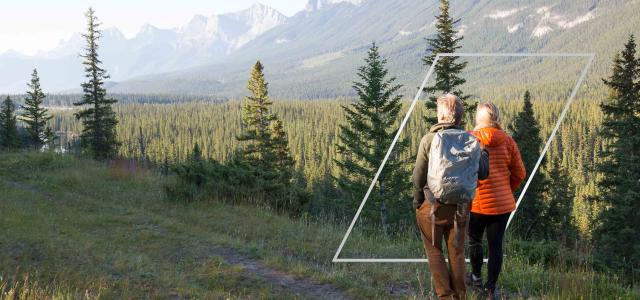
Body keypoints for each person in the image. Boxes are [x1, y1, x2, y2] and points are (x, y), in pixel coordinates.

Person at [413, 94, 489, 300]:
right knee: (457, 253)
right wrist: (483, 153)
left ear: (442, 115)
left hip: (432, 205)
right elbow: (483, 173)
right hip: (461, 208)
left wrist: (417, 201)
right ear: (459, 117)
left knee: (434, 249)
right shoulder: (472, 141)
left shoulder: (429, 139)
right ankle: (460, 296)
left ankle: (445, 296)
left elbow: (418, 176)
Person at [466, 102, 526, 300]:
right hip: (502, 205)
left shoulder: (470, 139)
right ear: (496, 119)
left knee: (475, 240)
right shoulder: (508, 141)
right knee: (495, 246)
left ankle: (475, 278)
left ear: (479, 120)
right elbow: (519, 173)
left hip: (476, 203)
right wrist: (506, 190)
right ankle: (490, 290)